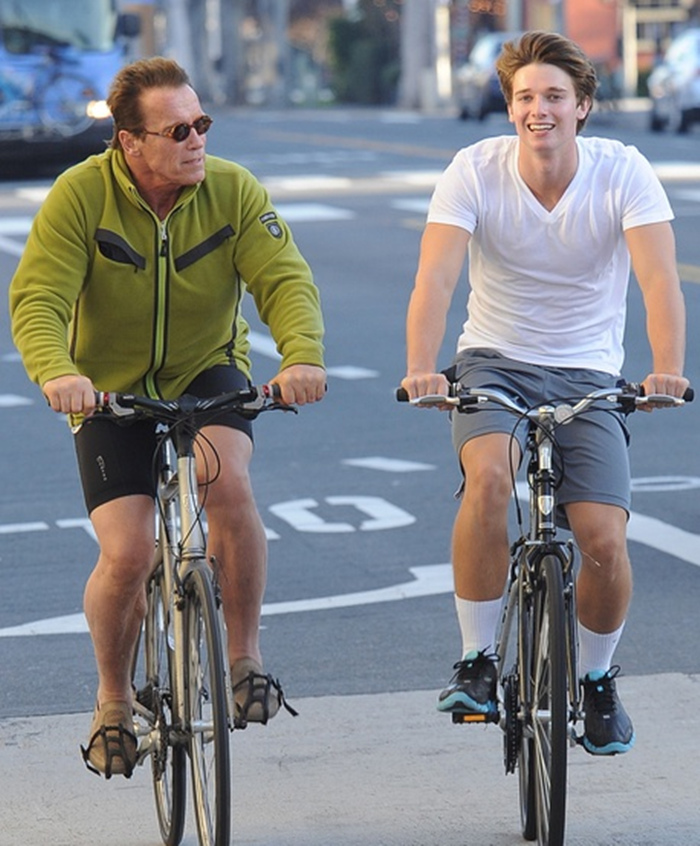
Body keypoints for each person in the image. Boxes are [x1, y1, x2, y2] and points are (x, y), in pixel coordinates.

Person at [9, 57, 326, 778]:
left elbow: (284, 279)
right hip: (107, 390)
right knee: (128, 552)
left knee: (229, 484)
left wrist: (302, 357)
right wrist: (59, 373)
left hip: (206, 368)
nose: (197, 139)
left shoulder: (233, 190)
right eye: (178, 130)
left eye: (201, 123)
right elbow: (40, 297)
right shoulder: (80, 196)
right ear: (130, 142)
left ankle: (244, 659)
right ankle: (113, 702)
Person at [400, 31, 688, 756]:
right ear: (509, 107)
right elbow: (436, 278)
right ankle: (476, 658)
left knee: (603, 539)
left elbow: (659, 279)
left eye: (555, 96)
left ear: (583, 105)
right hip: (493, 362)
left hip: (589, 372)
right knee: (490, 481)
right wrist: (422, 367)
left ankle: (597, 679)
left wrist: (667, 369)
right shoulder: (475, 169)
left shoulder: (623, 171)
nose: (540, 110)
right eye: (526, 97)